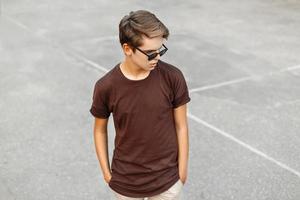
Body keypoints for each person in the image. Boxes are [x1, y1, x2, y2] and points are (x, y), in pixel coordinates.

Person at [90, 10, 191, 200]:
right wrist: (106, 173)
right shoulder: (106, 87)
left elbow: (181, 126)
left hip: (167, 181)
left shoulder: (172, 77)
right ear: (128, 49)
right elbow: (99, 130)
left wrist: (182, 172)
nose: (158, 57)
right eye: (151, 53)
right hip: (125, 182)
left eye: (161, 50)